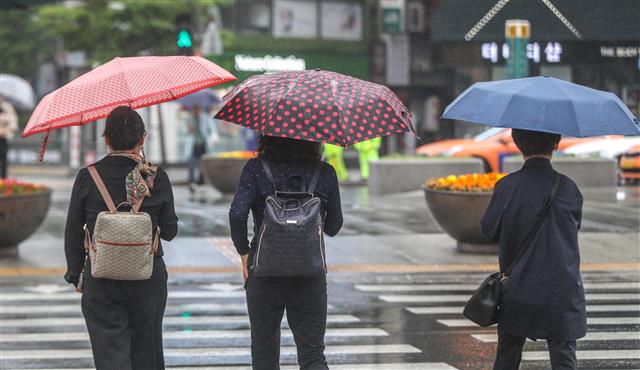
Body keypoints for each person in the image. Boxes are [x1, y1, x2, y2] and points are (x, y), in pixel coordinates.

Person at [64, 106, 178, 369]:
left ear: (106, 139)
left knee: (109, 356)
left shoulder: (87, 176)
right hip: (148, 279)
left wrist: (76, 272)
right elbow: (170, 232)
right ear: (143, 138)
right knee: (147, 353)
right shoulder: (155, 177)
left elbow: (72, 230)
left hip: (101, 278)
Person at [229, 135, 343, 370]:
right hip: (310, 273)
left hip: (263, 272)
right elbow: (334, 227)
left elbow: (237, 215)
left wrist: (243, 252)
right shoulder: (325, 172)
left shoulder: (255, 169)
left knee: (264, 354)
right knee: (313, 355)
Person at [481, 128, 586, 370]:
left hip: (518, 288)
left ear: (517, 143)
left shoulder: (507, 186)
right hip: (563, 288)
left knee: (507, 356)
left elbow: (489, 231)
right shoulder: (569, 188)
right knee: (564, 359)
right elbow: (574, 227)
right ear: (557, 143)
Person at [0, 98, 19, 178]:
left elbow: (13, 125)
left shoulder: (7, 107)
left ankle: (3, 178)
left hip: (4, 139)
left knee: (3, 160)